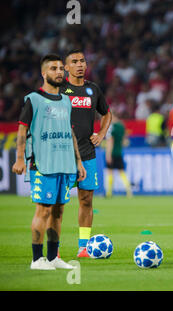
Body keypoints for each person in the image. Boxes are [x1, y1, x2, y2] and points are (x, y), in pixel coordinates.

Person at [12, 53, 86, 270]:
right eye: (53, 68)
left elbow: (70, 132)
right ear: (44, 73)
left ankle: (53, 257)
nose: (59, 72)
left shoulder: (66, 101)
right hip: (43, 164)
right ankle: (37, 260)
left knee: (58, 212)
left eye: (61, 68)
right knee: (43, 210)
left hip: (65, 163)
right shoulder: (33, 99)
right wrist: (19, 159)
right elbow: (22, 130)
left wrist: (78, 162)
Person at [60, 49, 112, 258]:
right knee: (57, 204)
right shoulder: (59, 89)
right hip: (63, 155)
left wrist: (101, 133)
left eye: (82, 61)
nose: (80, 64)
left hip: (88, 154)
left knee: (86, 200)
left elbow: (107, 113)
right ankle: (54, 249)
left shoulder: (93, 89)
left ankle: (84, 247)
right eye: (74, 61)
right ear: (66, 67)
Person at [105, 112, 133, 198]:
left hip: (112, 152)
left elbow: (110, 141)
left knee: (110, 172)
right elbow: (125, 140)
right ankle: (129, 191)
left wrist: (108, 154)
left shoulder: (112, 127)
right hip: (119, 152)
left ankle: (109, 193)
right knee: (121, 171)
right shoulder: (121, 126)